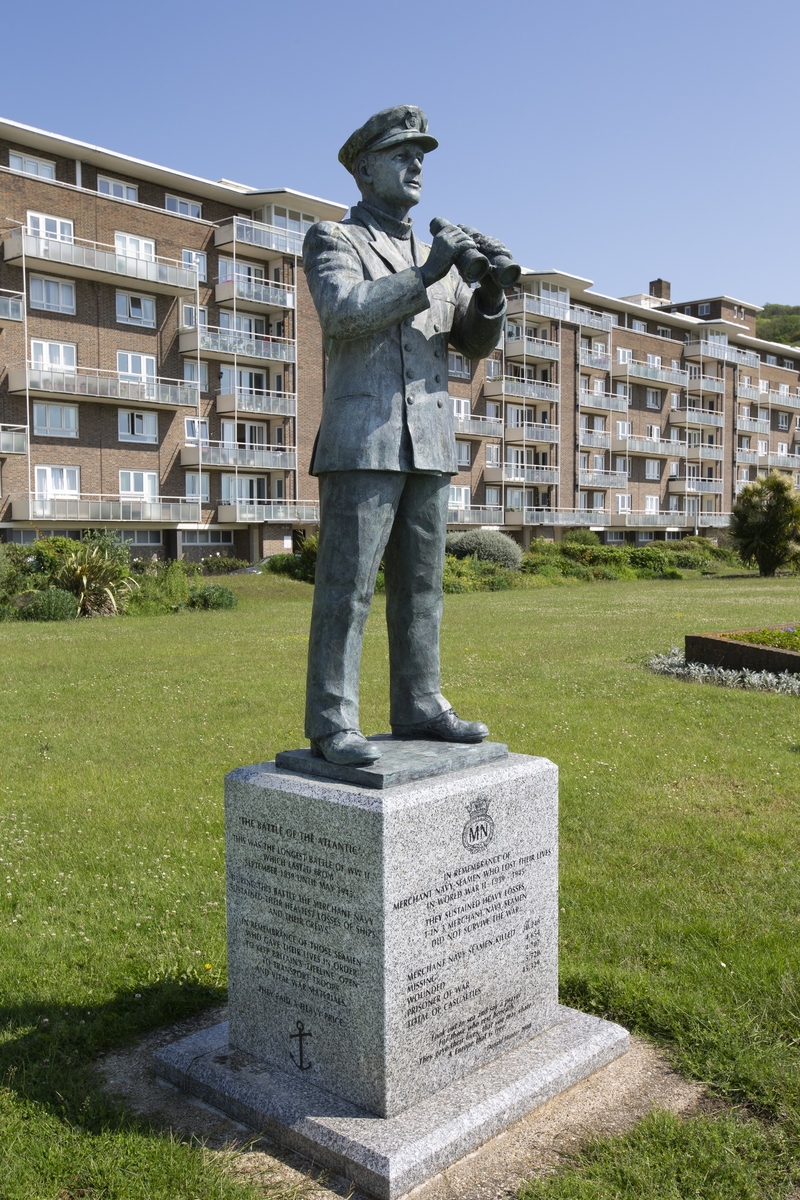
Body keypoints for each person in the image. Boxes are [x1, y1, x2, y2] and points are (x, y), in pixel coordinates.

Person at [302, 105, 508, 765]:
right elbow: (342, 313)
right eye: (401, 153)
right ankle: (333, 722)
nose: (417, 164)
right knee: (348, 587)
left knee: (423, 589)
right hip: (363, 441)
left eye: (421, 155)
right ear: (364, 169)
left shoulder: (435, 253)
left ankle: (420, 706)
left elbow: (470, 345)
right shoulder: (334, 240)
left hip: (429, 444)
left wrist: (492, 295)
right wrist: (426, 273)